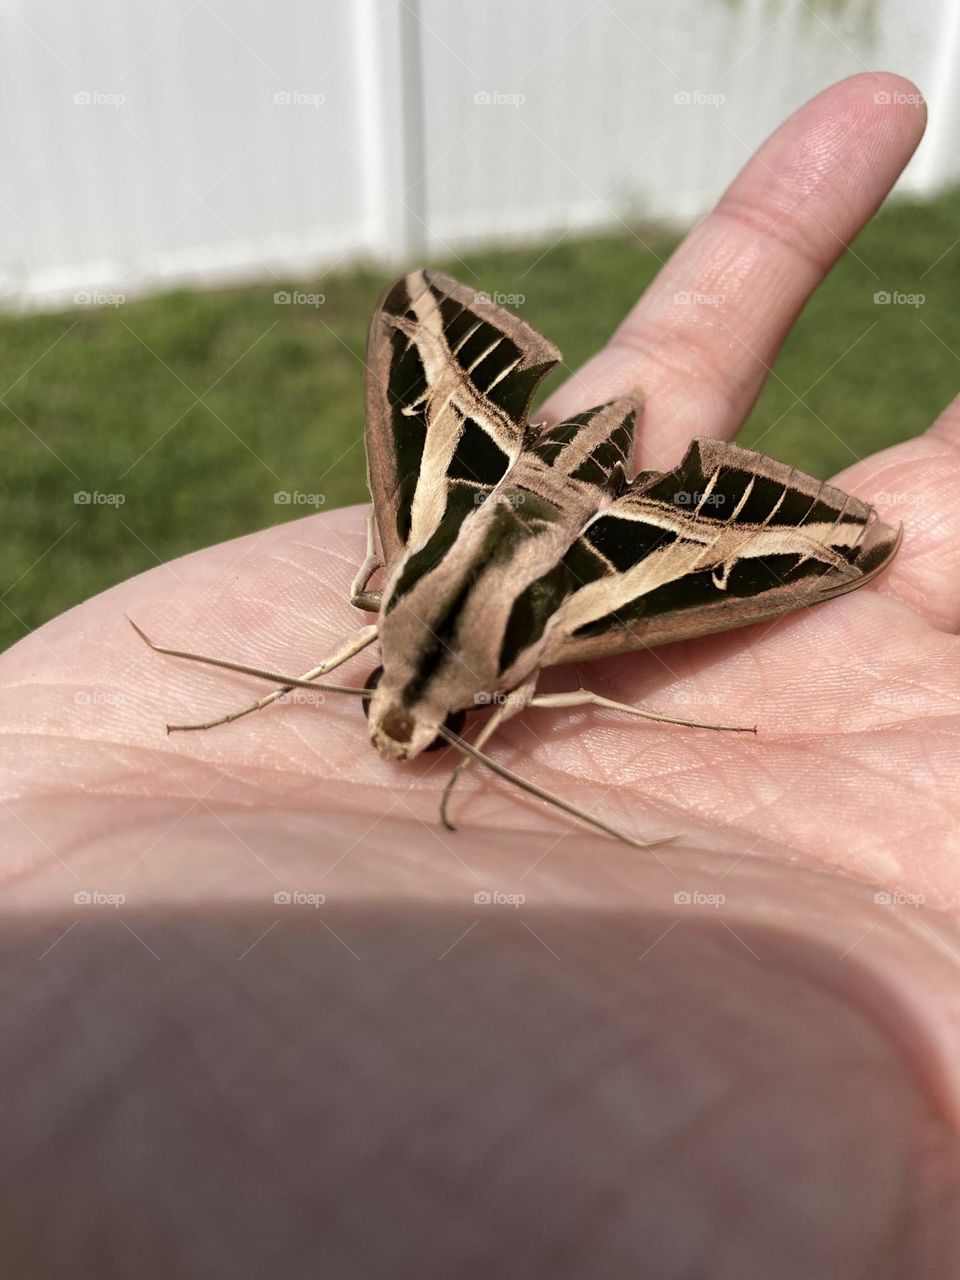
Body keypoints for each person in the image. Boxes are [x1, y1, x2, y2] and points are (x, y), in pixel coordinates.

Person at [1, 72, 957, 1278]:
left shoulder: (487, 635)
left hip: (532, 519)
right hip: (534, 515)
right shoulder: (414, 594)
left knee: (809, 553)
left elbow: (576, 675)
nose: (402, 720)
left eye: (406, 706)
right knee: (768, 553)